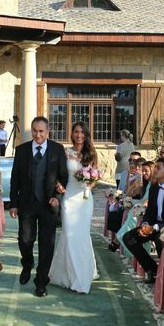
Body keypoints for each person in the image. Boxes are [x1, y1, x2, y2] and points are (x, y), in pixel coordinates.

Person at [9, 116, 68, 298]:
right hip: (27, 203)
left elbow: (63, 177)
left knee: (46, 245)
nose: (38, 134)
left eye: (41, 131)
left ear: (47, 131)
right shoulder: (21, 150)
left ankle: (41, 282)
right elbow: (15, 180)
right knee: (25, 240)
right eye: (35, 130)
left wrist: (57, 196)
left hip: (48, 205)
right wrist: (13, 204)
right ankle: (27, 264)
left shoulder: (57, 150)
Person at [49, 121, 100, 293]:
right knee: (69, 235)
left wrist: (90, 182)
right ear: (72, 134)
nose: (79, 135)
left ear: (86, 135)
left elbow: (96, 176)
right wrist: (58, 184)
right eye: (76, 132)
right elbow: (57, 173)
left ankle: (82, 277)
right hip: (69, 198)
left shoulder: (92, 154)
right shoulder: (65, 152)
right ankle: (68, 275)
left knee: (82, 236)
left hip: (85, 199)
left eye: (82, 132)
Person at [122, 157, 164, 284]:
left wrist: (154, 228)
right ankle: (152, 269)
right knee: (129, 238)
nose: (155, 170)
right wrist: (145, 225)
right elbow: (150, 212)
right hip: (154, 226)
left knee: (160, 238)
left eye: (158, 167)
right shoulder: (154, 188)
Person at [112, 160, 155, 255]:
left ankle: (121, 238)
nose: (143, 173)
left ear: (152, 171)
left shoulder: (154, 184)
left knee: (133, 213)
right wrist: (133, 184)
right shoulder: (146, 182)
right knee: (130, 210)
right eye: (142, 170)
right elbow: (129, 193)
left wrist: (139, 206)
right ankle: (122, 238)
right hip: (140, 205)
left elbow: (148, 200)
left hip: (147, 209)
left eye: (145, 171)